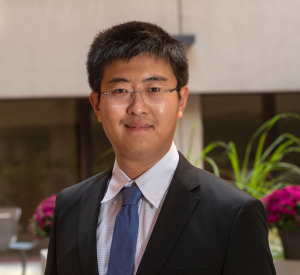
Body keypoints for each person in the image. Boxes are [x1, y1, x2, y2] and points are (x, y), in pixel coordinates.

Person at [45, 21, 276, 275]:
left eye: (154, 89)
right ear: (97, 105)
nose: (138, 107)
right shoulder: (70, 206)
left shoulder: (233, 214)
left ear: (181, 100)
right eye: (120, 90)